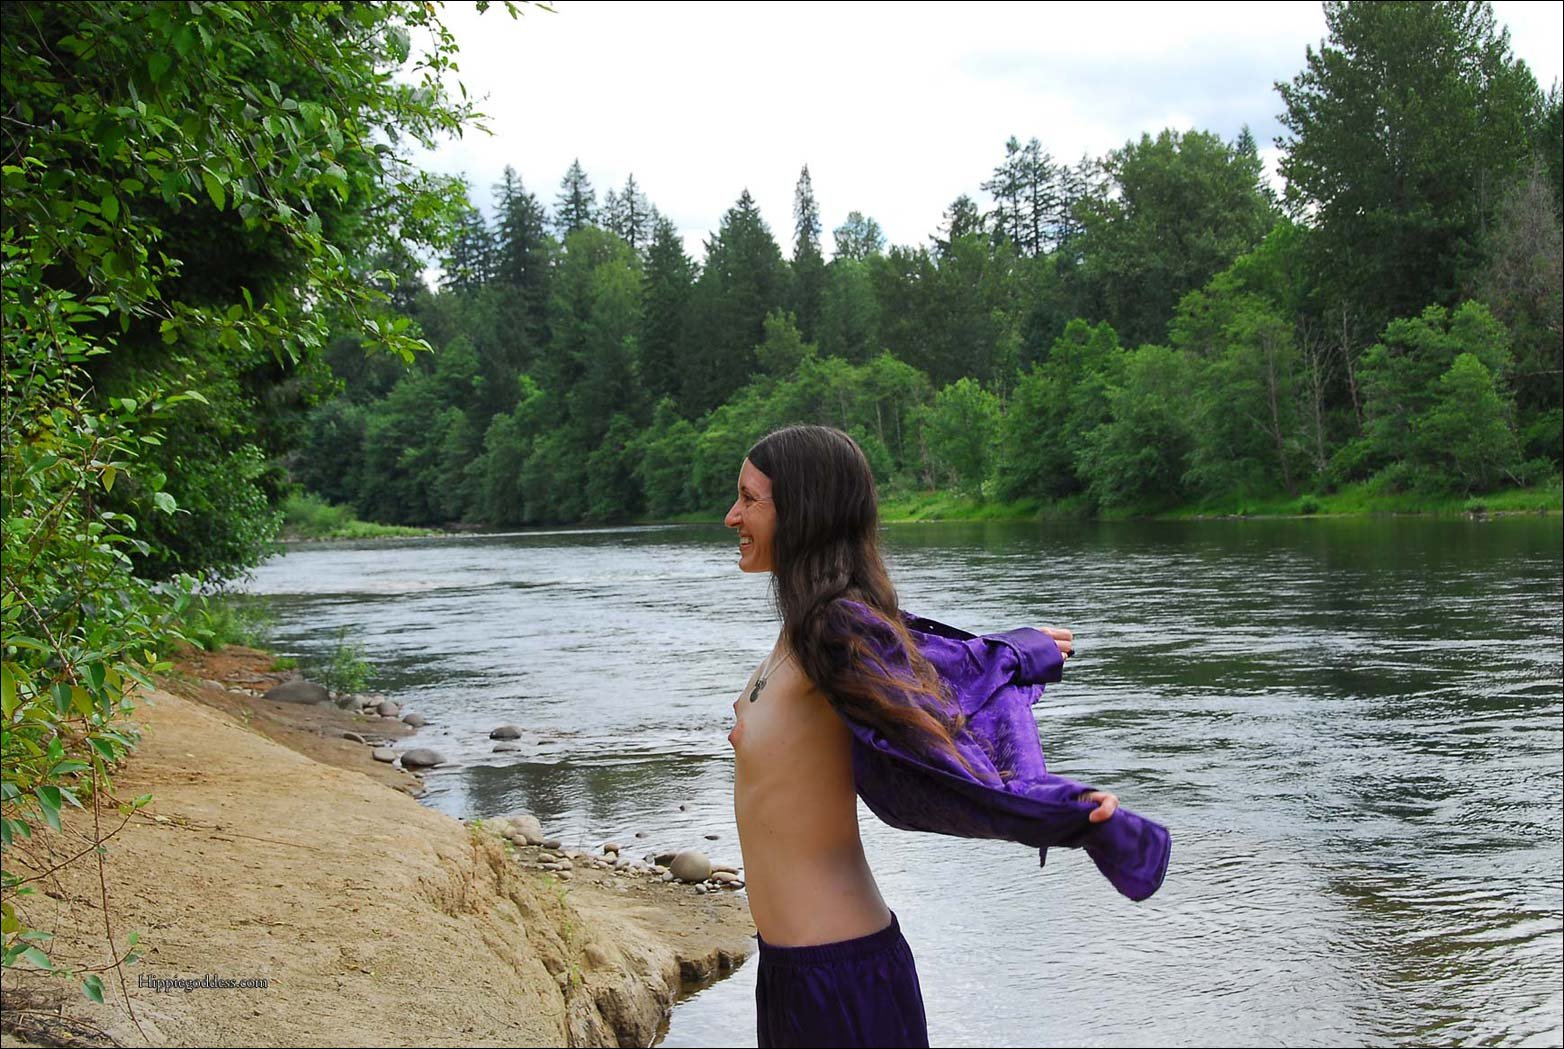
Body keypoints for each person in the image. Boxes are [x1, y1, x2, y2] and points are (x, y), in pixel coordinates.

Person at [723, 424, 1130, 1049]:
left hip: (842, 979)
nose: (733, 516)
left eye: (750, 499)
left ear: (803, 511)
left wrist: (1055, 805)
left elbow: (938, 708)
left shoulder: (837, 628)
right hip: (791, 971)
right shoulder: (801, 629)